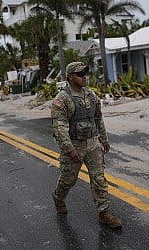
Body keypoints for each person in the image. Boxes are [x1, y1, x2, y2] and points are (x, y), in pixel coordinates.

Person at [50, 61, 122, 229]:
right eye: (80, 74)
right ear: (70, 77)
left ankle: (104, 213)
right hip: (73, 145)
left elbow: (98, 118)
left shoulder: (91, 95)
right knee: (68, 180)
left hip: (92, 144)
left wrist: (104, 139)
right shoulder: (62, 99)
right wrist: (70, 149)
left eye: (85, 74)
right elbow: (59, 127)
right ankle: (58, 197)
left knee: (99, 179)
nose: (84, 77)